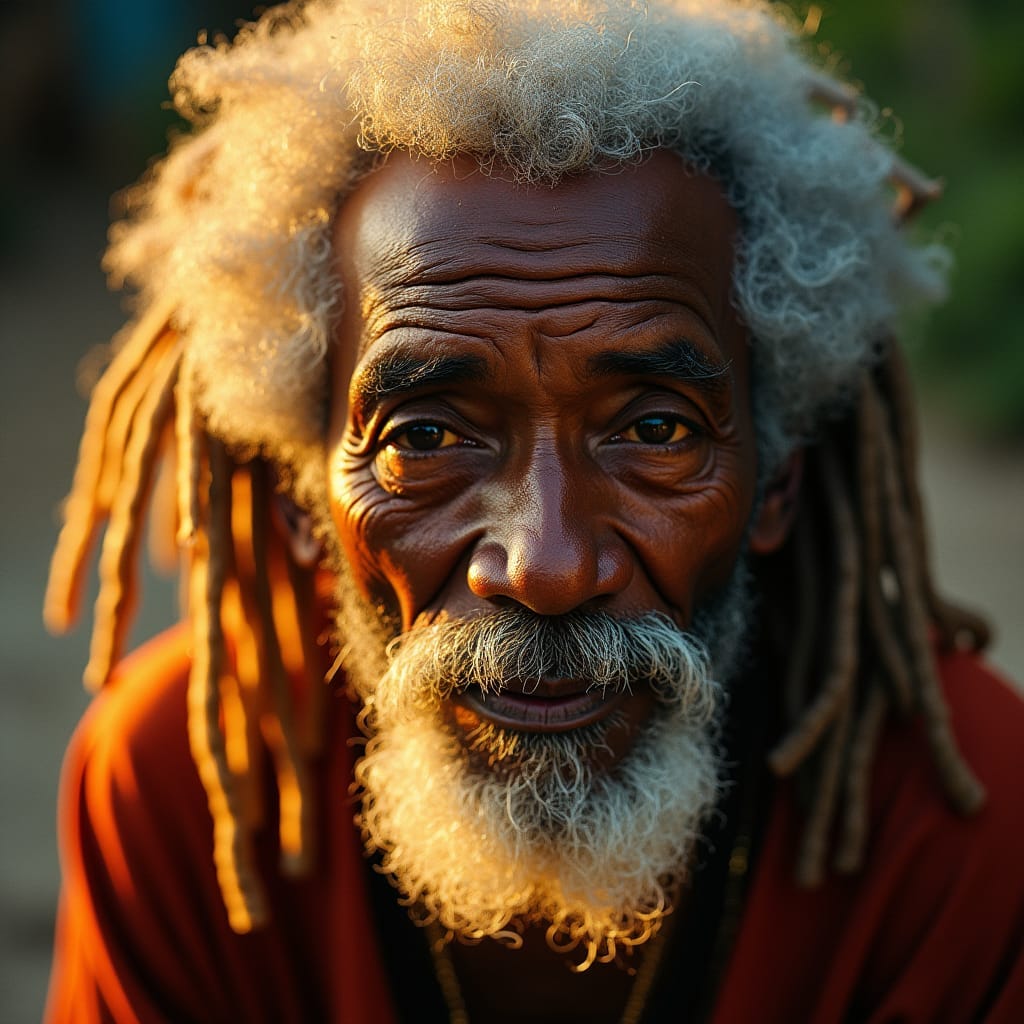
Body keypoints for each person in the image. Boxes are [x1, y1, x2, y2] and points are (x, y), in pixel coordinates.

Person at [43, 1, 1024, 1021]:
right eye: (422, 438)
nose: (546, 566)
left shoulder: (966, 818)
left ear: (773, 480)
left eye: (654, 431)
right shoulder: (181, 795)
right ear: (303, 488)